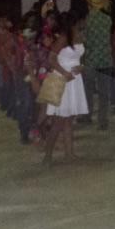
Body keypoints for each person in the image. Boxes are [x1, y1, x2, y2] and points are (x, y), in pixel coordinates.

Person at [43, 13, 88, 165]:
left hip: (74, 80)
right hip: (61, 79)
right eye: (83, 19)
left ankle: (69, 153)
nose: (85, 21)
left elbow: (80, 58)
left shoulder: (79, 36)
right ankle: (47, 156)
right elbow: (51, 59)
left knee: (68, 120)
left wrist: (81, 67)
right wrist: (64, 73)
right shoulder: (63, 38)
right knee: (58, 121)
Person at [81, 0, 115, 131]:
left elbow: (84, 41)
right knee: (104, 94)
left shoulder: (87, 21)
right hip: (106, 60)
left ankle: (87, 115)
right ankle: (103, 122)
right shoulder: (108, 19)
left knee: (88, 91)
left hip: (91, 60)